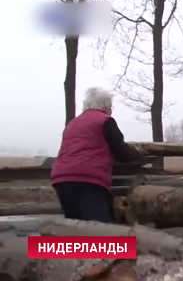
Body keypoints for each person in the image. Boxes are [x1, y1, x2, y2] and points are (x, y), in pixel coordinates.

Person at [50, 87, 146, 223]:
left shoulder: (73, 123)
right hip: (88, 180)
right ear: (105, 105)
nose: (111, 109)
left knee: (75, 228)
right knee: (100, 229)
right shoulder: (105, 121)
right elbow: (121, 152)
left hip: (61, 180)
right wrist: (137, 153)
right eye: (111, 106)